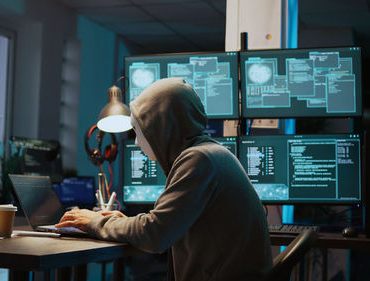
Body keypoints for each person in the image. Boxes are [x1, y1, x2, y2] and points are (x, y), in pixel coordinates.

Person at [55, 77, 272, 281]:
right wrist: (121, 222)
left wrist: (95, 222)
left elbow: (156, 234)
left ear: (163, 128)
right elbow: (163, 225)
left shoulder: (199, 160)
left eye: (140, 132)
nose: (138, 143)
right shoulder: (210, 153)